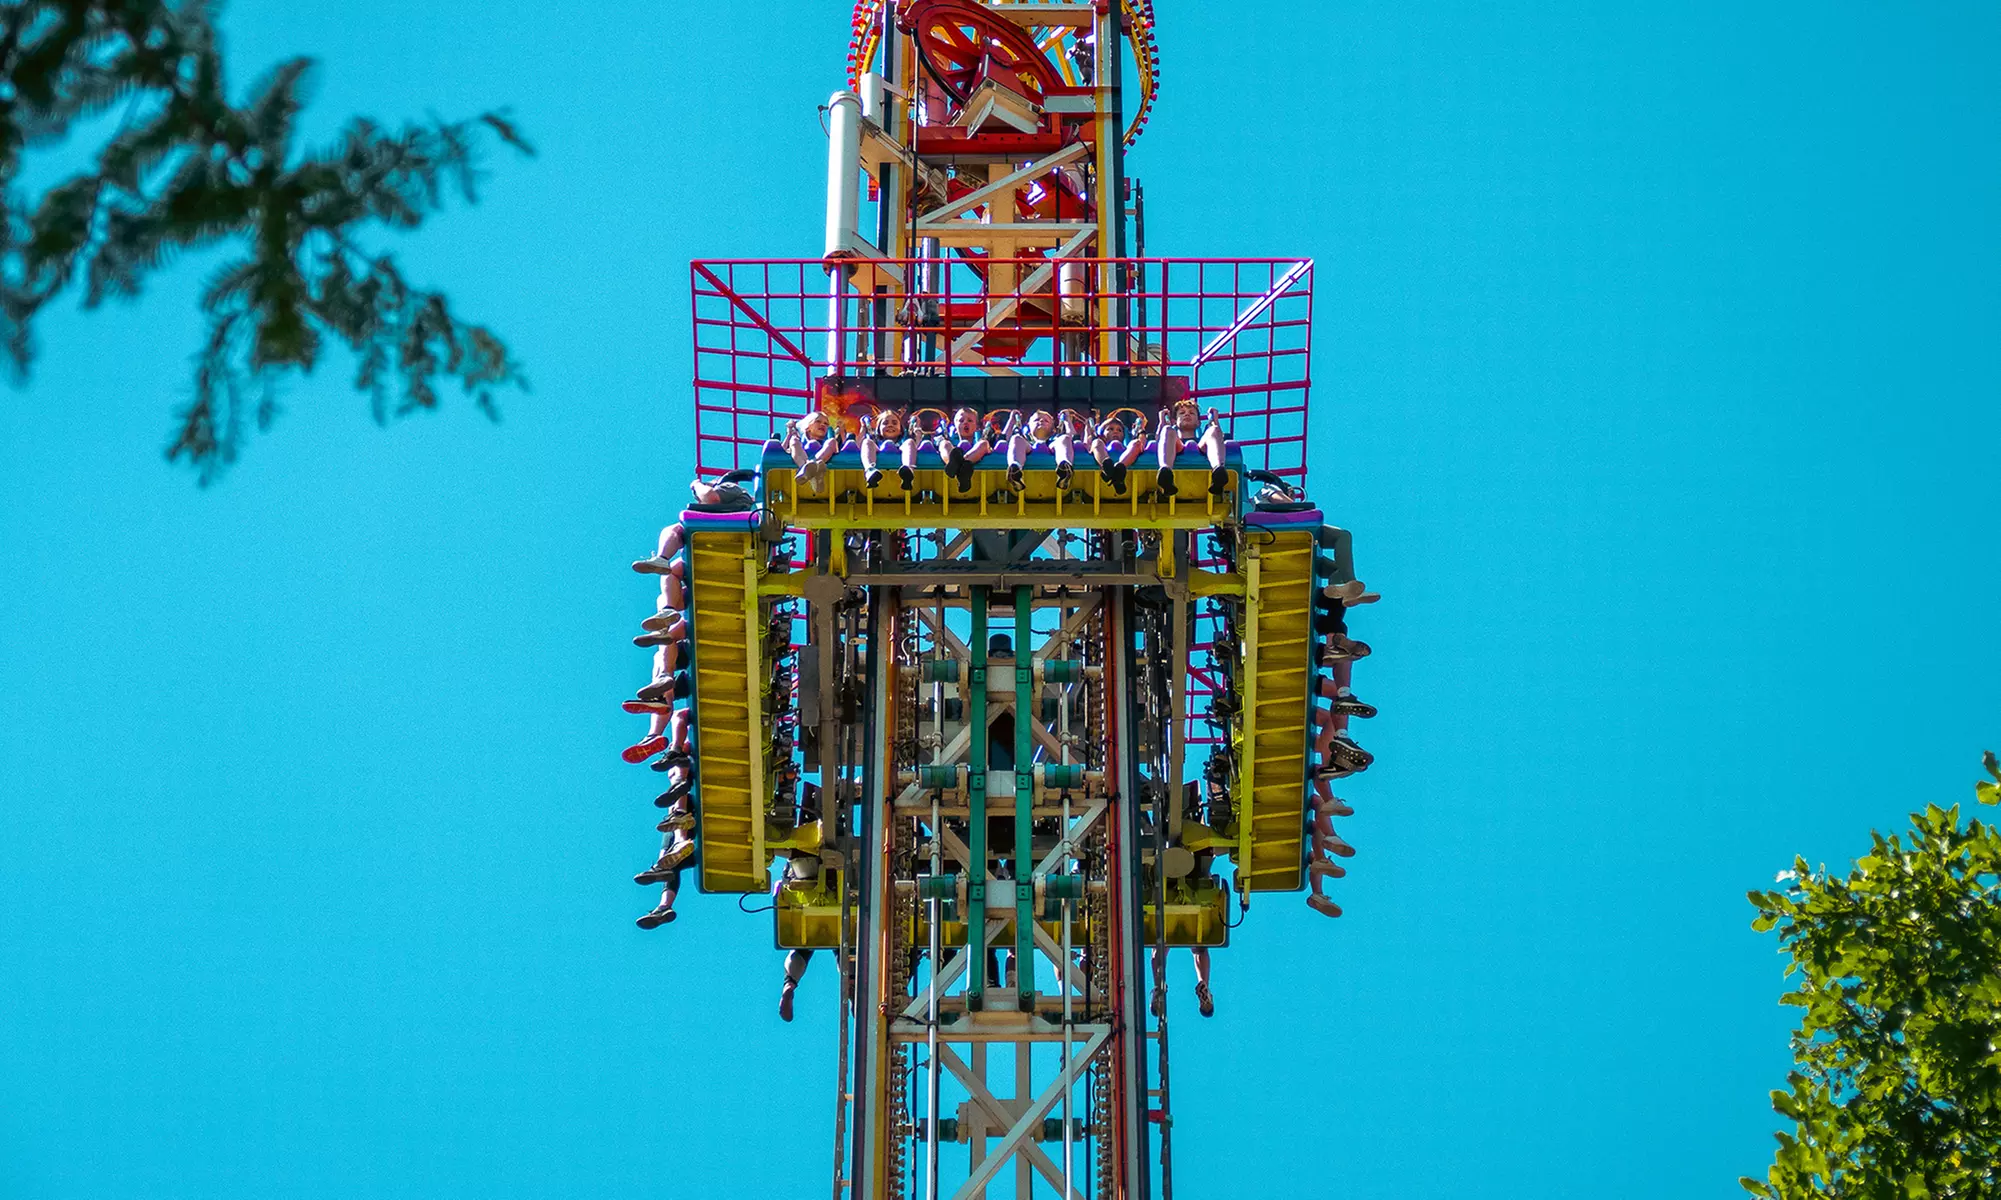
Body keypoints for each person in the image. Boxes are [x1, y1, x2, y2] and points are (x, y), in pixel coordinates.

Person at [1155, 400, 1229, 498]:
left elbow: (1218, 439)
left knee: (1214, 430)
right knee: (1167, 430)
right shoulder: (1171, 435)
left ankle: (1218, 471)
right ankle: (1165, 473)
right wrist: (1162, 423)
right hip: (1177, 450)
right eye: (1182, 413)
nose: (1187, 414)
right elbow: (1158, 442)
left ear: (1198, 422)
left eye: (1191, 413)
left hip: (1201, 455)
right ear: (1175, 421)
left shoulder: (1204, 439)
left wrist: (1215, 422)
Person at [1003, 407, 1075, 491]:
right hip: (1028, 448)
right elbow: (1003, 439)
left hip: (1052, 447)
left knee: (1065, 439)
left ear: (1053, 428)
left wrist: (1067, 421)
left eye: (1046, 420)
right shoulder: (1024, 439)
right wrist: (1012, 421)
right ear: (1029, 426)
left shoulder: (1056, 438)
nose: (1041, 421)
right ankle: (1015, 470)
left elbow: (1073, 438)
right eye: (1036, 420)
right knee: (1016, 439)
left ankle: (1064, 468)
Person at [935, 406, 999, 494]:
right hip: (953, 456)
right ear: (955, 426)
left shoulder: (980, 440)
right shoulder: (949, 441)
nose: (965, 422)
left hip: (973, 460)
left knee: (984, 444)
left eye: (970, 420)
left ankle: (962, 466)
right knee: (944, 444)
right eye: (961, 421)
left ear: (977, 427)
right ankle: (952, 463)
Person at [1088, 409, 1147, 495]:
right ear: (1102, 435)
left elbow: (1142, 445)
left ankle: (1119, 469)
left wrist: (1141, 430)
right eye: (1110, 429)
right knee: (1096, 442)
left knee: (1136, 443)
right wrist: (1089, 429)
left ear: (1124, 435)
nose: (1115, 431)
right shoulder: (1100, 443)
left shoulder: (1128, 448)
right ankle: (1107, 467)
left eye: (1119, 430)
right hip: (1104, 455)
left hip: (1123, 459)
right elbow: (1089, 443)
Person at [782, 410, 840, 494]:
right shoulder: (799, 441)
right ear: (808, 427)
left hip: (821, 467)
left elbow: (837, 451)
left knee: (832, 441)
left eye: (826, 424)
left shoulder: (827, 442)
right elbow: (780, 452)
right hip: (799, 479)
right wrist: (789, 434)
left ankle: (812, 467)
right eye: (818, 421)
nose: (823, 425)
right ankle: (806, 470)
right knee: (794, 440)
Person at [857, 409, 912, 491]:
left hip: (899, 470)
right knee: (866, 442)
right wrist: (863, 428)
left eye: (894, 423)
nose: (890, 425)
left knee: (910, 442)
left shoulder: (903, 443)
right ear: (878, 429)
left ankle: (908, 471)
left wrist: (917, 429)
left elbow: (916, 447)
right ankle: (870, 470)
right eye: (885, 423)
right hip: (878, 459)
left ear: (901, 430)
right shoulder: (875, 443)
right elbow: (858, 447)